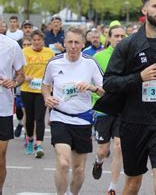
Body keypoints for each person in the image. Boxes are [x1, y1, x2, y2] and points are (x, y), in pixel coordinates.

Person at [103, 0, 156, 195]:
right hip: (133, 122)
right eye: (155, 6)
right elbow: (109, 82)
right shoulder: (128, 44)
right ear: (144, 10)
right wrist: (139, 78)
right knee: (133, 184)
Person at [41, 27, 104, 194]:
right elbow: (45, 85)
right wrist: (47, 97)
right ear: (64, 43)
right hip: (60, 116)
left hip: (83, 118)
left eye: (77, 42)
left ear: (83, 44)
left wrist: (91, 87)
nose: (73, 46)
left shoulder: (90, 63)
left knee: (79, 168)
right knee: (63, 163)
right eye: (70, 42)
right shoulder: (54, 63)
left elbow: (105, 90)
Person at [91, 25, 126, 194]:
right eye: (116, 36)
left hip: (122, 109)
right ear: (109, 38)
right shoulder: (99, 57)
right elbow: (92, 81)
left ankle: (112, 186)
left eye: (122, 36)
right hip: (104, 107)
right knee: (103, 150)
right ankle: (98, 161)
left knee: (119, 146)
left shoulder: (130, 56)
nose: (119, 39)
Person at [20, 30, 54, 158]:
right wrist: (24, 76)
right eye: (34, 40)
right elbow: (18, 68)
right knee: (29, 118)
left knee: (40, 118)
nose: (36, 42)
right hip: (27, 89)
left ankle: (38, 145)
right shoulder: (24, 52)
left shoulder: (49, 52)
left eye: (39, 40)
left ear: (43, 40)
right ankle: (29, 139)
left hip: (42, 90)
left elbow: (53, 69)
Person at [0, 33, 25, 194]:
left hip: (3, 108)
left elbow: (21, 75)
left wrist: (15, 82)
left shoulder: (11, 45)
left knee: (0, 158)